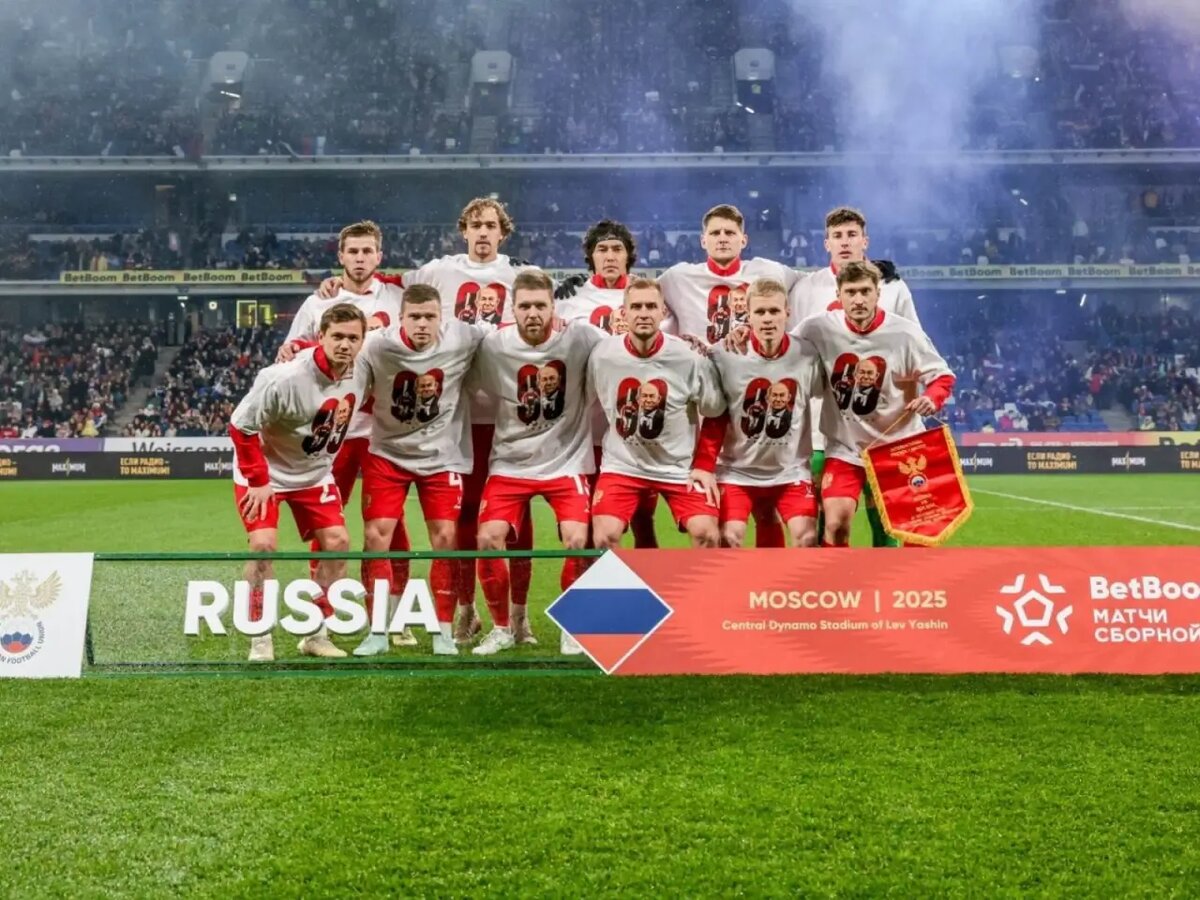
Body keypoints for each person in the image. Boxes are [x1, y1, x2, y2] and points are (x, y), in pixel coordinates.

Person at [319, 197, 539, 644]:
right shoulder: (438, 271)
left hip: (506, 417)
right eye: (475, 224)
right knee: (459, 525)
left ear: (503, 231)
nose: (482, 232)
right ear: (464, 230)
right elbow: (387, 283)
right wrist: (340, 284)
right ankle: (464, 612)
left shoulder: (522, 275)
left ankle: (518, 618)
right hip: (456, 419)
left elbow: (544, 315)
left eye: (490, 225)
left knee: (514, 520)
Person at [276, 221, 415, 646]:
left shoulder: (397, 296)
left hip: (381, 433)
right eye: (352, 251)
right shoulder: (319, 302)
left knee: (392, 530)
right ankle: (318, 622)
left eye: (367, 251)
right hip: (330, 434)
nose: (359, 258)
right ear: (340, 256)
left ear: (379, 256)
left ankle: (393, 617)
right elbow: (289, 358)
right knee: (327, 530)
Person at [469, 270, 605, 655]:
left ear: (553, 307)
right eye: (525, 306)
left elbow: (624, 352)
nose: (533, 313)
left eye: (540, 306)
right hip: (510, 464)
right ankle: (502, 629)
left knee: (577, 539)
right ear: (512, 310)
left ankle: (572, 626)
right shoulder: (493, 346)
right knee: (488, 539)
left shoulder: (581, 337)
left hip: (566, 464)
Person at [228, 303, 370, 662]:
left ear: (362, 341)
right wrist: (258, 480)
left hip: (314, 473)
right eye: (337, 336)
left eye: (353, 338)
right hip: (266, 474)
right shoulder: (282, 378)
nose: (345, 345)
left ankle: (316, 632)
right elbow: (241, 426)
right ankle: (259, 635)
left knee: (338, 543)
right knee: (263, 547)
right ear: (321, 336)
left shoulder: (364, 368)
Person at [657, 204, 801, 548]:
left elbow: (818, 285)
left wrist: (872, 273)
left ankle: (768, 577)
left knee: (765, 508)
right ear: (703, 240)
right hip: (701, 404)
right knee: (712, 510)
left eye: (730, 233)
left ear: (743, 240)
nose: (723, 238)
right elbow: (635, 297)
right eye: (716, 233)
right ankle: (718, 576)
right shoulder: (677, 277)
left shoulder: (769, 271)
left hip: (752, 395)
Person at [353, 284, 485, 656]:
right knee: (375, 538)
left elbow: (507, 336)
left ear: (442, 318)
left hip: (442, 458)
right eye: (415, 317)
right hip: (388, 455)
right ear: (401, 318)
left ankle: (442, 631)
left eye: (430, 316)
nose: (422, 324)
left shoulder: (463, 336)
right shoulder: (376, 346)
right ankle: (377, 631)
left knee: (445, 539)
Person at [797, 261, 955, 547]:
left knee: (916, 533)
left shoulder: (905, 333)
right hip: (845, 448)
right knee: (835, 523)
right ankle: (837, 575)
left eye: (865, 291)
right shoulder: (817, 327)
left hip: (899, 446)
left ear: (877, 294)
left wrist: (931, 398)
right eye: (851, 292)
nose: (858, 299)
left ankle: (905, 577)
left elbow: (942, 376)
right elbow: (782, 349)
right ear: (838, 294)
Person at [789, 206, 920, 548]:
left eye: (851, 235)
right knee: (827, 512)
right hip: (826, 424)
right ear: (826, 243)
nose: (845, 242)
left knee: (885, 515)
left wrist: (908, 414)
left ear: (865, 241)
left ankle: (883, 574)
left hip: (884, 423)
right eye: (837, 236)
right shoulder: (805, 288)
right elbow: (794, 349)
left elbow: (914, 349)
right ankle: (827, 574)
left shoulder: (893, 287)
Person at [588, 278, 726, 551]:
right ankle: (626, 582)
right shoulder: (602, 356)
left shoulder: (688, 358)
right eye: (636, 307)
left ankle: (695, 583)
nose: (643, 313)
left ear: (663, 312)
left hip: (679, 469)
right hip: (623, 466)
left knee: (707, 534)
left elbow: (717, 412)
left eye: (651, 306)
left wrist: (704, 465)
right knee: (604, 537)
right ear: (624, 313)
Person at [555, 219, 660, 550]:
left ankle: (649, 581)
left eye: (617, 249)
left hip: (637, 426)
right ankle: (588, 582)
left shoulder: (651, 295)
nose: (610, 255)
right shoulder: (570, 298)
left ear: (629, 255)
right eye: (602, 249)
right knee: (587, 524)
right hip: (587, 427)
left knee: (643, 520)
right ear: (591, 256)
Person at [696, 279, 819, 549]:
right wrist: (703, 466)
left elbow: (832, 397)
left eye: (774, 311)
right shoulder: (724, 355)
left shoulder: (808, 354)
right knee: (730, 537)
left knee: (807, 538)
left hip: (790, 471)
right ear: (748, 316)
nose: (767, 318)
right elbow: (716, 415)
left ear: (787, 313)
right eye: (760, 312)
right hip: (736, 471)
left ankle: (787, 581)